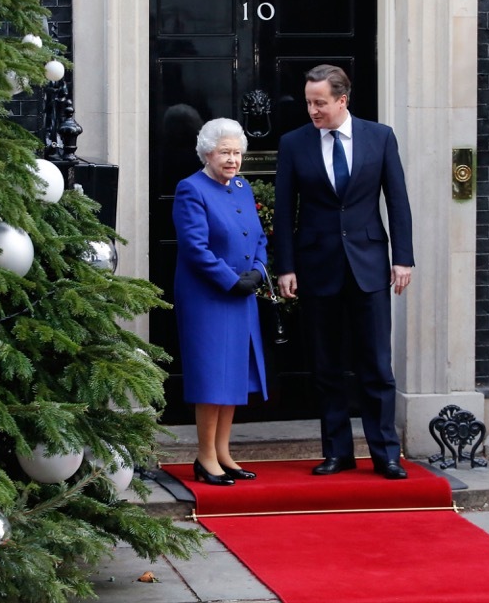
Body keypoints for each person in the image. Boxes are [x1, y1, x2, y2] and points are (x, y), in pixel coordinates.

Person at [273, 65, 414, 480]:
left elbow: (398, 200)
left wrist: (402, 258)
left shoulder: (380, 137)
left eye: (320, 103)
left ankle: (385, 453)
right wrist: (286, 266)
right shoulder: (294, 143)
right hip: (318, 267)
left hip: (369, 265)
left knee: (376, 365)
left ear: (341, 100)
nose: (313, 110)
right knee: (326, 366)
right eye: (308, 102)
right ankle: (337, 451)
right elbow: (285, 212)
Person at [172, 117, 269, 486]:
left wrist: (259, 271)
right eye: (225, 152)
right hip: (208, 297)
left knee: (235, 374)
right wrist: (231, 280)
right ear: (207, 153)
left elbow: (258, 236)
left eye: (237, 152)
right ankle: (205, 456)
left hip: (241, 293)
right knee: (212, 375)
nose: (233, 159)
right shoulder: (191, 189)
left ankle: (224, 451)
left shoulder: (242, 187)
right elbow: (195, 248)